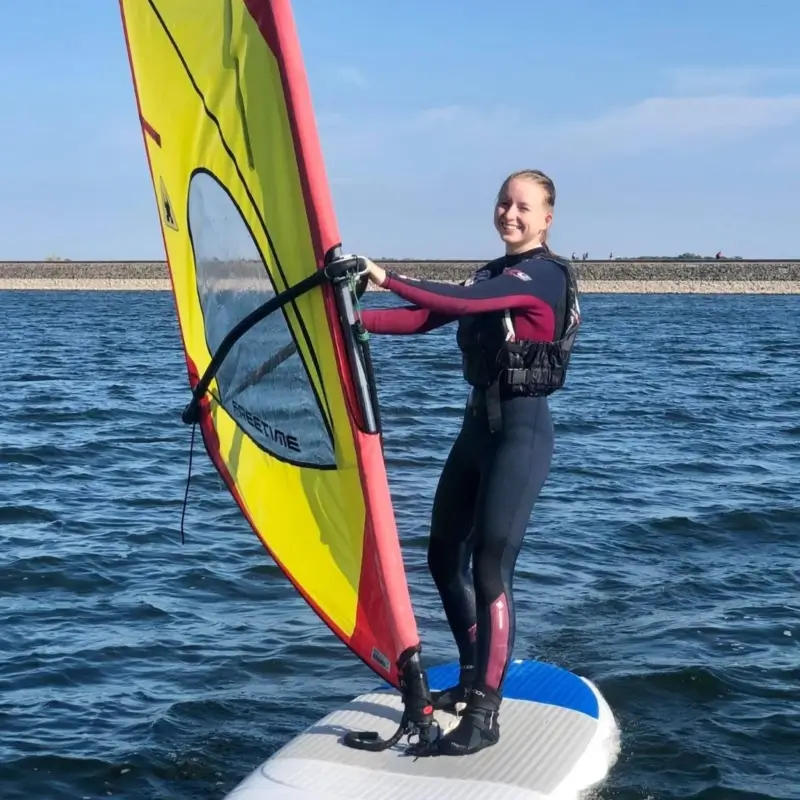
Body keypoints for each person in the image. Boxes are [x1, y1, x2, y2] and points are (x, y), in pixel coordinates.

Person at [357, 169, 581, 756]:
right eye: (504, 203)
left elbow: (457, 299)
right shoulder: (491, 275)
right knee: (441, 559)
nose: (511, 213)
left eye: (524, 207)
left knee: (489, 573)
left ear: (547, 218)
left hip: (521, 438)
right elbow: (426, 317)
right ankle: (471, 672)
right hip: (474, 433)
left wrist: (384, 276)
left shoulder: (545, 276)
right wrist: (350, 321)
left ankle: (484, 715)